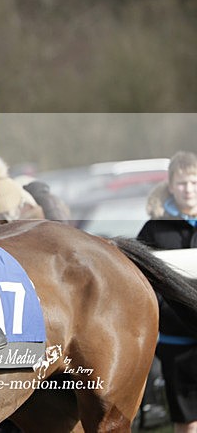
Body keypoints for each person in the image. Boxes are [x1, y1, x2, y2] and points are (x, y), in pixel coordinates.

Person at [137, 151, 197, 433]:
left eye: (195, 183)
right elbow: (141, 283)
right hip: (176, 343)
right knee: (187, 421)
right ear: (171, 186)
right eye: (183, 183)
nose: (189, 190)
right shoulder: (154, 230)